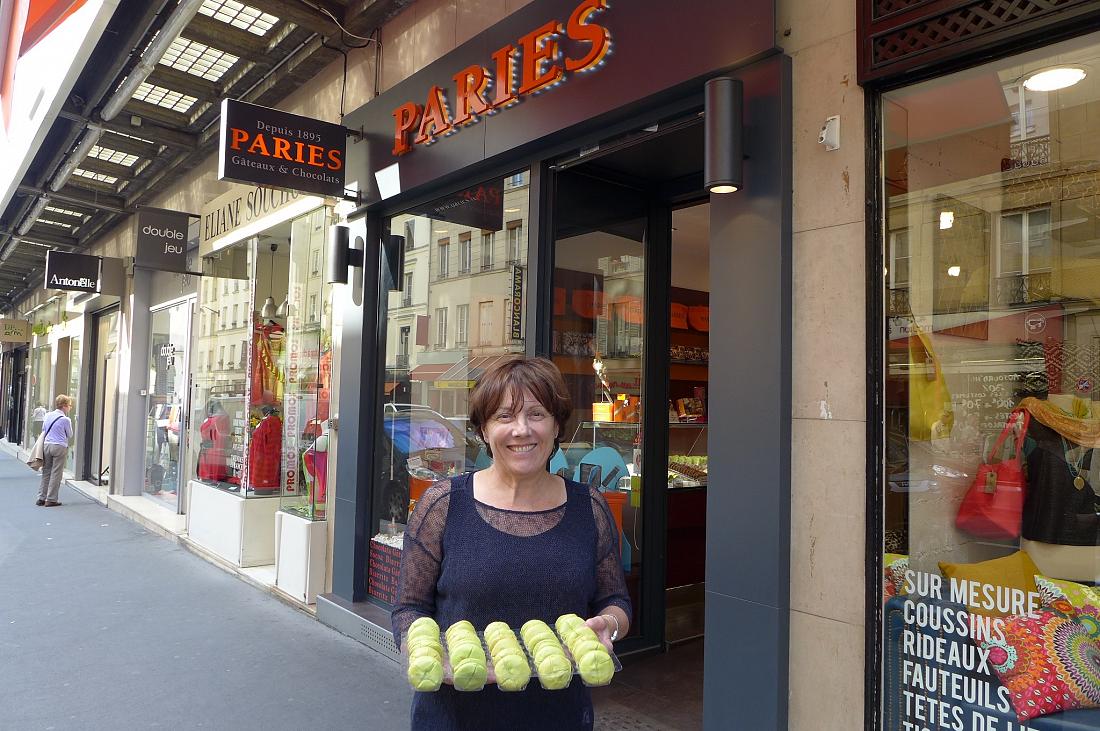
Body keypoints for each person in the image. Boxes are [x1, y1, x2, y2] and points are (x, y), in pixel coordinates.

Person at [392, 357, 631, 730]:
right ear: (484, 430)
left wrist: (610, 625)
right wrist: (426, 654)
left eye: (537, 414)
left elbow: (615, 600)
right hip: (456, 714)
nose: (522, 430)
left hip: (559, 715)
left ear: (556, 426)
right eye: (504, 416)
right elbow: (409, 608)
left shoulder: (590, 508)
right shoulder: (444, 505)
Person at [36, 394, 73, 507]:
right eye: (70, 405)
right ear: (65, 406)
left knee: (46, 471)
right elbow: (70, 435)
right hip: (59, 446)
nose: (70, 408)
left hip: (47, 445)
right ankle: (51, 499)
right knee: (56, 473)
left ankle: (41, 497)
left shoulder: (47, 415)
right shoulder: (66, 419)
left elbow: (44, 429)